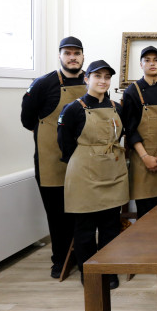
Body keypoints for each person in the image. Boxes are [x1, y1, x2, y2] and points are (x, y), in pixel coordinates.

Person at [57, 60, 129, 289]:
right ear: (86, 79)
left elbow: (120, 135)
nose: (103, 81)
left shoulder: (117, 107)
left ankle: (108, 272)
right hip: (84, 174)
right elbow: (64, 143)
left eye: (107, 77)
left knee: (110, 227)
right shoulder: (73, 109)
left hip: (113, 172)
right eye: (97, 76)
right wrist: (87, 158)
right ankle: (89, 272)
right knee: (85, 229)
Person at [20, 36, 85, 279]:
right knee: (57, 214)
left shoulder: (92, 80)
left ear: (82, 56)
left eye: (76, 53)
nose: (72, 57)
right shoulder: (42, 84)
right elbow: (28, 121)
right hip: (51, 162)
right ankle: (60, 260)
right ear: (60, 56)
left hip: (84, 161)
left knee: (82, 212)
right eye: (67, 53)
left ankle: (82, 255)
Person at [120, 46, 157, 219]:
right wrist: (146, 158)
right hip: (142, 162)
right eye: (147, 60)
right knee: (146, 217)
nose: (152, 64)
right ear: (140, 64)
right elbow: (129, 129)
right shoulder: (132, 92)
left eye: (156, 60)